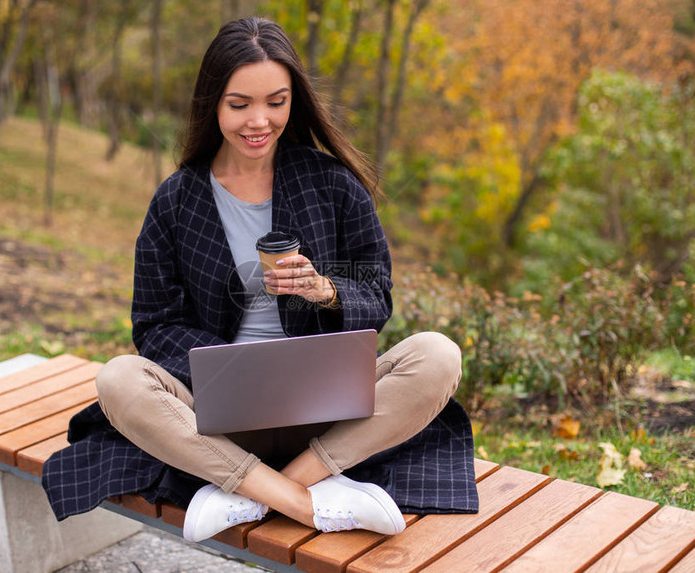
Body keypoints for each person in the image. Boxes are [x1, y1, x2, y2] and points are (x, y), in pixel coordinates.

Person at [42, 17, 477, 542]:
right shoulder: (177, 200)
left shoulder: (332, 183)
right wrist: (226, 371)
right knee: (118, 379)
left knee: (438, 355)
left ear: (294, 100)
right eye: (239, 103)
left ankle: (259, 489)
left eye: (276, 101)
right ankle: (307, 499)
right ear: (213, 104)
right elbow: (154, 324)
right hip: (217, 411)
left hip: (326, 409)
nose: (260, 120)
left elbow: (378, 293)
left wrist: (326, 289)